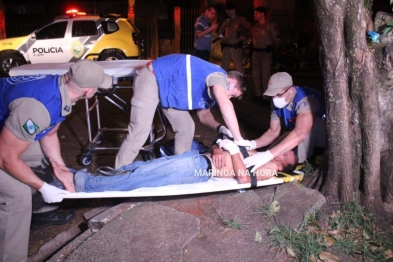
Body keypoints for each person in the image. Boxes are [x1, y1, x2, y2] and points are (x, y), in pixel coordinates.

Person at [0, 60, 113, 261]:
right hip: (5, 147)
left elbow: (49, 135)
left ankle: (39, 213)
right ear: (88, 91)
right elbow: (5, 158)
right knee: (17, 194)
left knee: (40, 159)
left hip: (9, 129)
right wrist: (43, 186)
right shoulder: (38, 107)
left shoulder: (60, 89)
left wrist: (62, 171)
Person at [115, 54, 253, 168]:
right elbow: (225, 104)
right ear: (232, 81)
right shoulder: (218, 76)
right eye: (232, 94)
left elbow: (204, 114)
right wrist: (238, 138)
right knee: (140, 131)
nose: (229, 97)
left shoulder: (212, 91)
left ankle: (179, 169)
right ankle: (118, 176)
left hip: (168, 92)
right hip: (152, 78)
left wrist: (220, 128)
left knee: (186, 127)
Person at [51, 139, 297, 193]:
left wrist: (232, 151)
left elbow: (244, 179)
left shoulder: (270, 169)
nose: (287, 149)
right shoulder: (263, 153)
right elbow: (224, 148)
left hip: (199, 170)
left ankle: (84, 184)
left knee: (138, 180)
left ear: (288, 162)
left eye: (291, 153)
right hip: (199, 158)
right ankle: (78, 176)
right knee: (139, 169)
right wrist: (220, 148)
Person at [244, 72, 326, 172]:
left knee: (310, 126)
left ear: (290, 90)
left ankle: (303, 164)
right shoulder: (277, 102)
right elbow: (273, 132)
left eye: (278, 94)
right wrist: (251, 144)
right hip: (297, 132)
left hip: (323, 137)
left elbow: (301, 133)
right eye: (272, 95)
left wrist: (269, 154)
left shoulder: (306, 99)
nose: (274, 99)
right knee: (272, 154)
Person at [247, 6, 280, 105]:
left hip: (266, 53)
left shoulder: (270, 26)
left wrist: (274, 51)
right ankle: (258, 94)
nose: (254, 15)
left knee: (265, 75)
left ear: (262, 14)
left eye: (256, 13)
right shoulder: (254, 27)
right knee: (256, 75)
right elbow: (248, 36)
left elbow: (277, 40)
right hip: (256, 53)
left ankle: (266, 97)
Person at [218, 2, 251, 74]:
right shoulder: (227, 21)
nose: (227, 13)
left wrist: (245, 37)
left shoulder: (240, 20)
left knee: (239, 69)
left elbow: (250, 28)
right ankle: (222, 83)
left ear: (233, 10)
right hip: (226, 48)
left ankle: (242, 83)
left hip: (236, 48)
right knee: (223, 68)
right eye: (226, 11)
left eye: (228, 11)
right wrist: (222, 37)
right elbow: (220, 32)